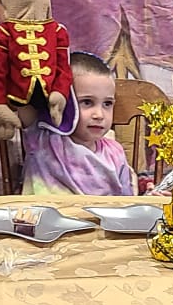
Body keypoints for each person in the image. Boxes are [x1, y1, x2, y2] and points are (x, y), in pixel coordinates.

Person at [22, 51, 137, 198]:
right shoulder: (42, 139)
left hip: (101, 214)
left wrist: (151, 196)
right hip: (47, 213)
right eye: (87, 102)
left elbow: (127, 204)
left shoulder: (115, 153)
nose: (99, 115)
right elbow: (24, 92)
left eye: (107, 104)